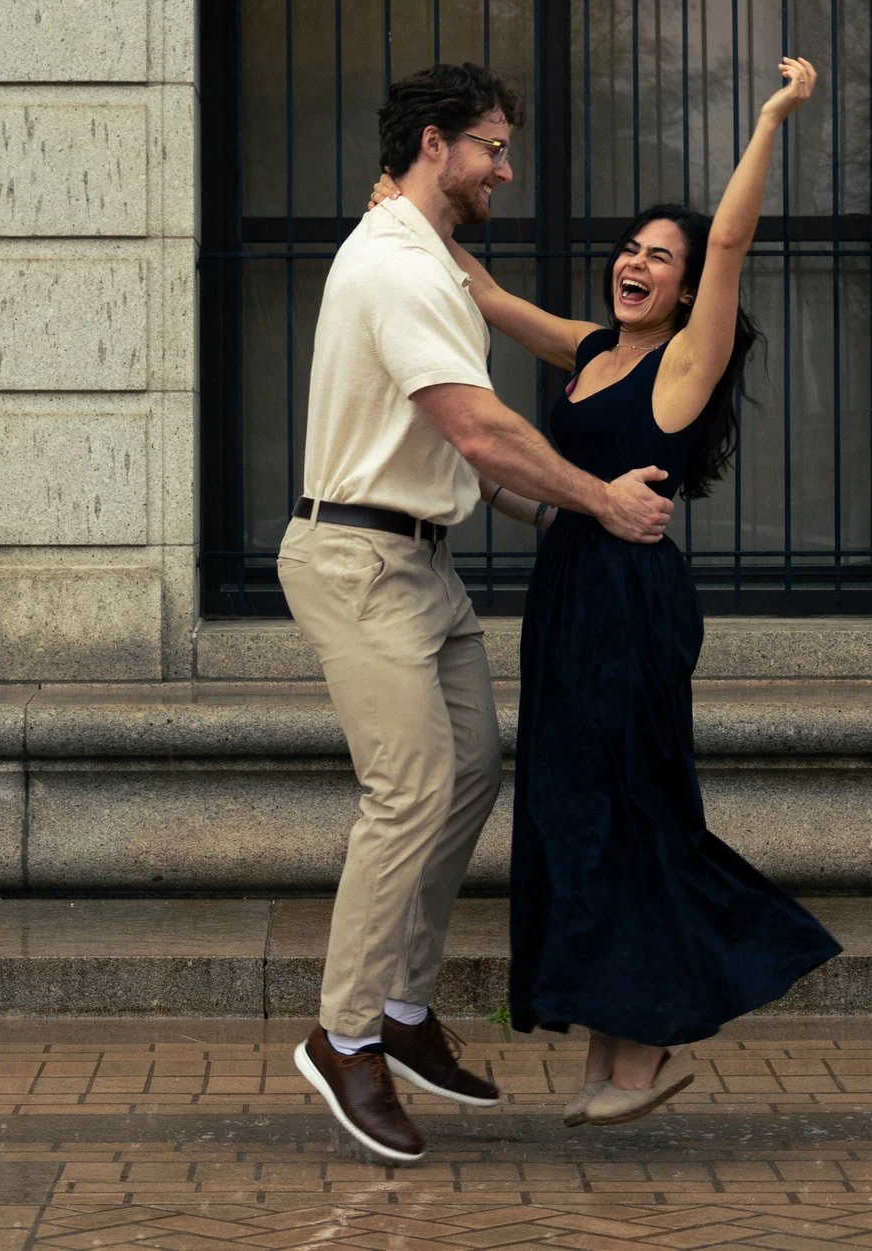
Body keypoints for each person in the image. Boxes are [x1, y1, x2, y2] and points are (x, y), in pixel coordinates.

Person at [372, 56, 842, 1127]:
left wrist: (769, 117)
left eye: (660, 258)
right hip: (571, 594)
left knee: (627, 810)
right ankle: (611, 1060)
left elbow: (729, 240)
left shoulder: (685, 362)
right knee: (578, 813)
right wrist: (406, 204)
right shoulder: (590, 351)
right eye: (632, 247)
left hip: (629, 601)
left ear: (684, 291)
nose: (639, 262)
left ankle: (651, 1039)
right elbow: (481, 296)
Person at [283, 61, 678, 1165]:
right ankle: (345, 1032)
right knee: (407, 786)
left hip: (417, 556)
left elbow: (470, 454)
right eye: (492, 146)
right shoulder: (395, 269)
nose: (506, 166)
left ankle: (402, 1007)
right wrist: (597, 496)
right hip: (358, 559)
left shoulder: (424, 260)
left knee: (468, 769)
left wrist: (560, 516)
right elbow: (480, 426)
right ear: (433, 147)